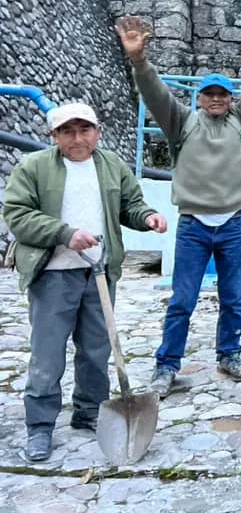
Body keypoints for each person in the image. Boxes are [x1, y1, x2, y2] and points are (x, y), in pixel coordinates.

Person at [116, 12, 241, 396]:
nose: (215, 100)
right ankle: (166, 366)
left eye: (222, 94)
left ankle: (229, 355)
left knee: (231, 298)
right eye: (208, 94)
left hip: (233, 223)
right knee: (182, 301)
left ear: (230, 100)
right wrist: (139, 61)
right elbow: (155, 93)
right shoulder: (182, 123)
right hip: (193, 225)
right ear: (199, 98)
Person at [3, 103, 167, 462]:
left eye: (85, 130)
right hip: (52, 275)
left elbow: (130, 204)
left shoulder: (110, 165)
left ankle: (90, 410)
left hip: (99, 273)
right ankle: (40, 426)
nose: (78, 138)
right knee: (47, 355)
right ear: (54, 136)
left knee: (96, 349)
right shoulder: (34, 167)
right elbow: (17, 214)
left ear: (98, 132)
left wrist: (148, 217)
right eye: (67, 132)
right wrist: (64, 233)